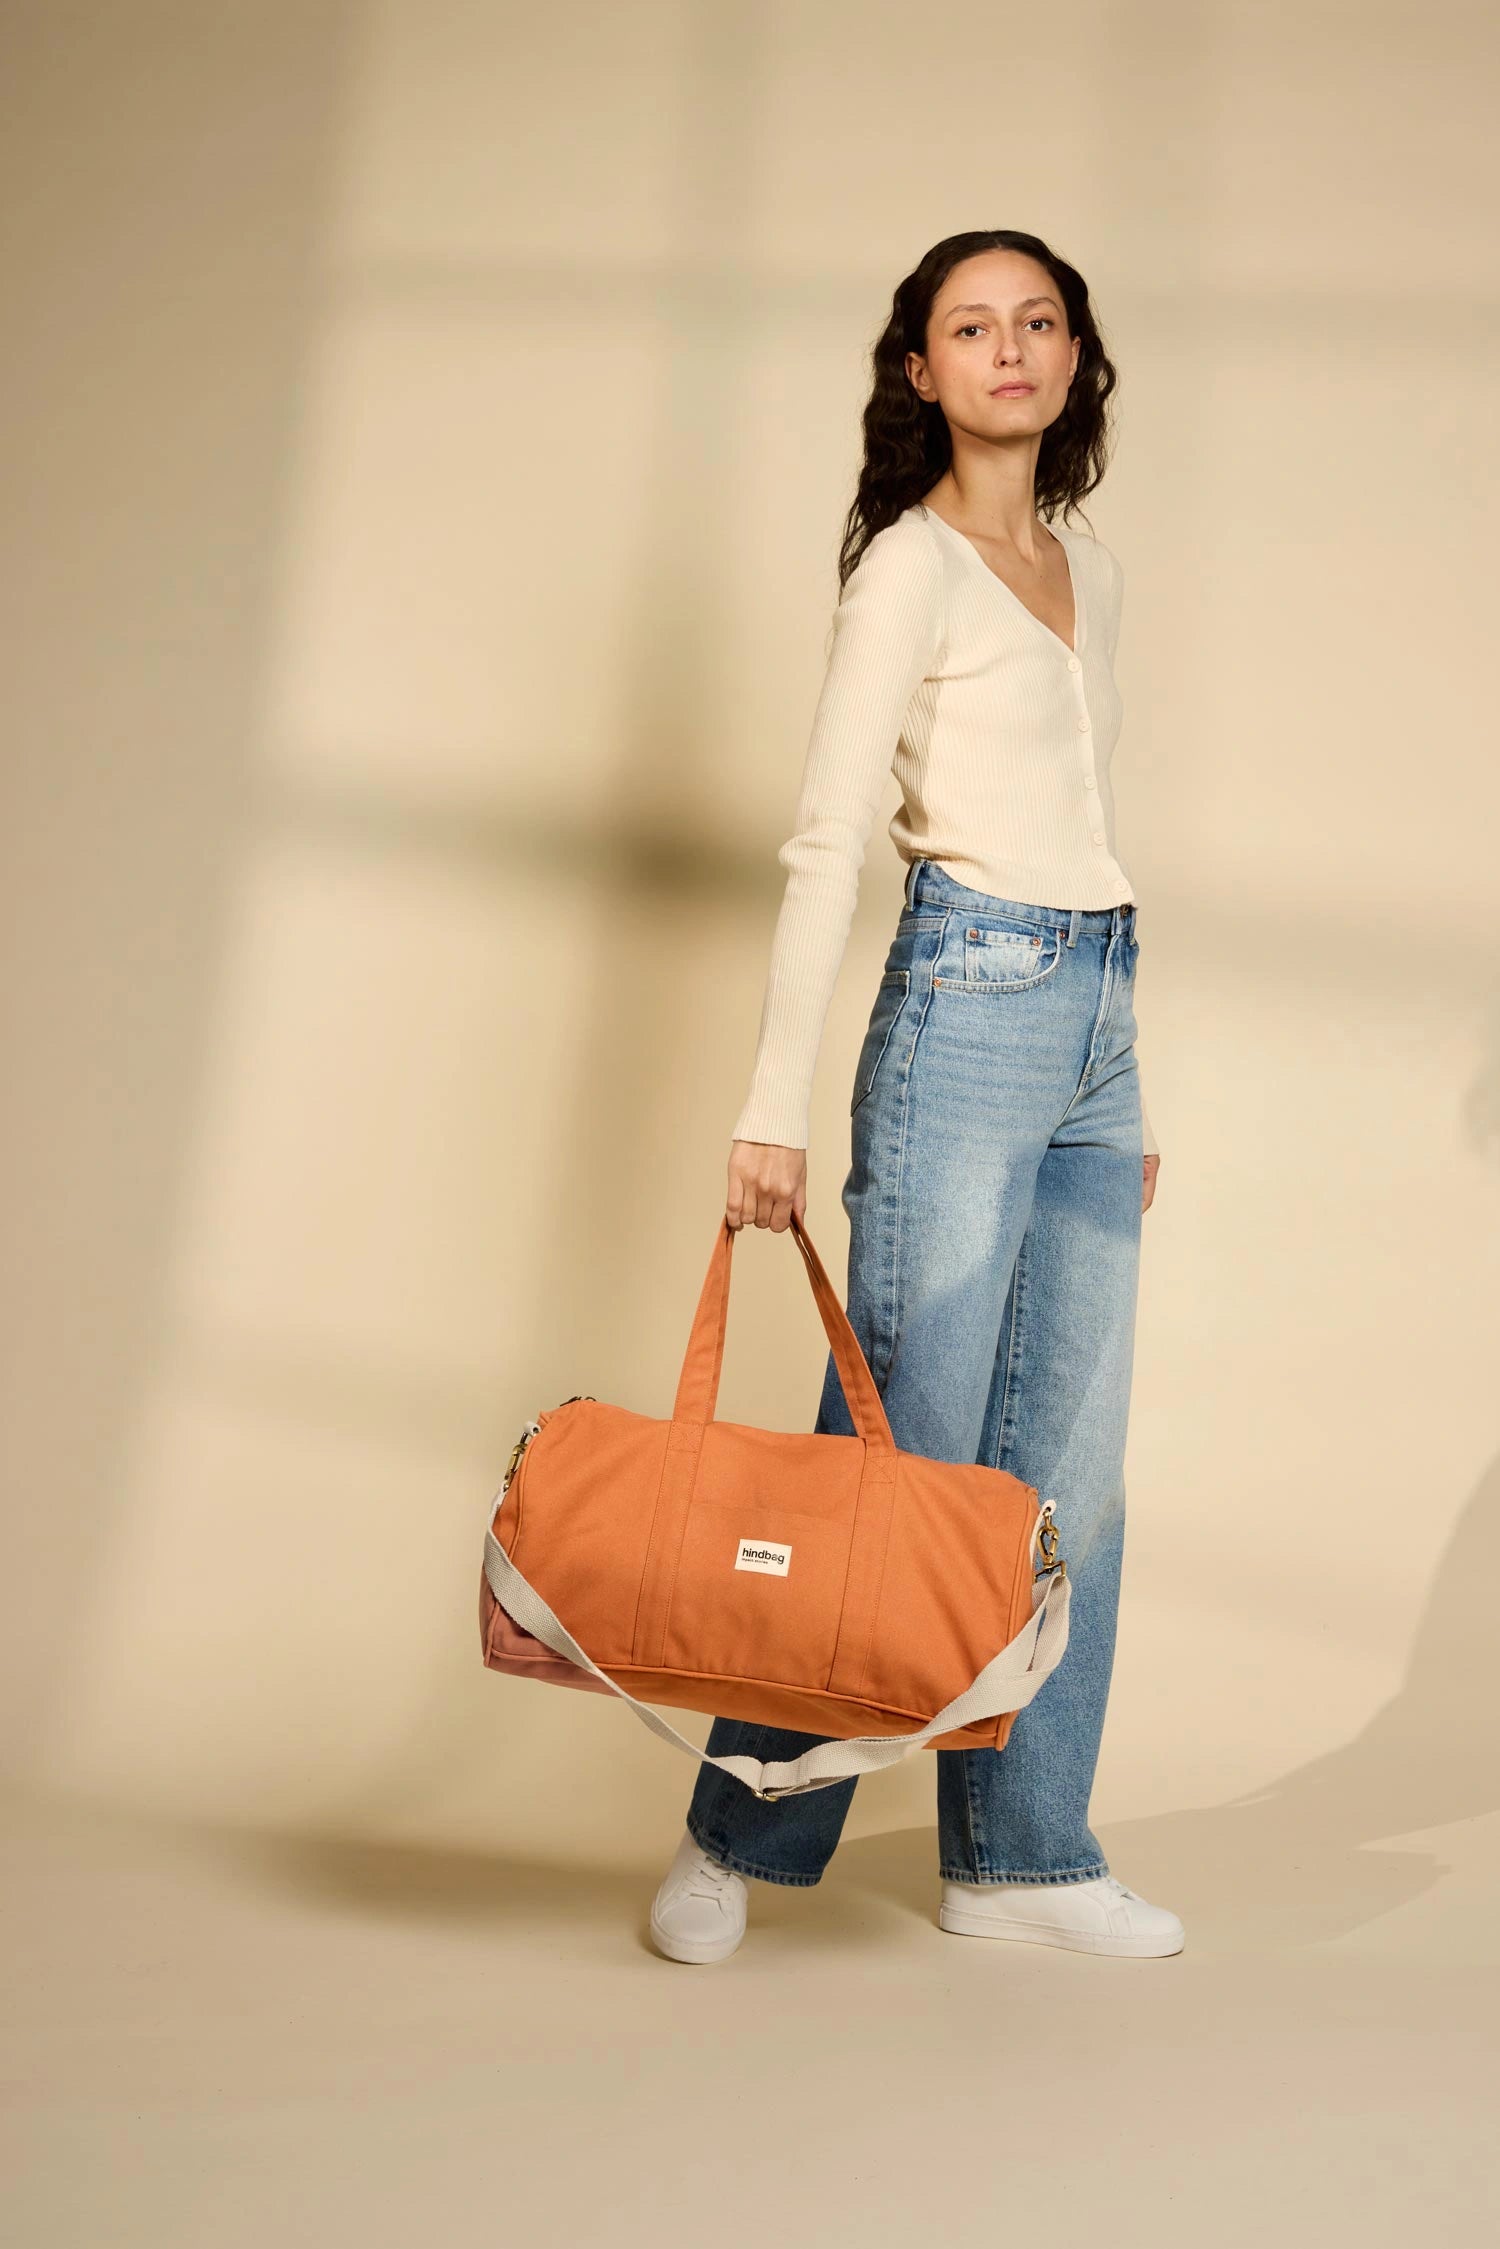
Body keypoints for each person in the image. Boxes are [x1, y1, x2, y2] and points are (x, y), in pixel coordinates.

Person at [648, 228, 1184, 1964]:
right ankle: (735, 1834)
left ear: (1075, 357)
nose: (1009, 349)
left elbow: (1087, 831)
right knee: (890, 1459)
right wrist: (772, 1103)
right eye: (973, 326)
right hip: (963, 1006)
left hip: (1092, 1014)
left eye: (1039, 322)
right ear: (921, 370)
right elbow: (827, 841)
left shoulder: (1092, 568)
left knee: (1068, 1473)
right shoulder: (908, 568)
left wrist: (1123, 1082)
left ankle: (1020, 1859)